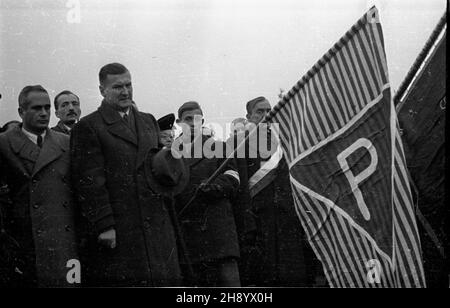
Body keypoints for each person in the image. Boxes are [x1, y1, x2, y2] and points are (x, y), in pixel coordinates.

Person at [70, 62, 181, 287]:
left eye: (128, 85)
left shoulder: (148, 120)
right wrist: (104, 225)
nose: (125, 91)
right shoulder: (89, 126)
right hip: (122, 226)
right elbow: (89, 182)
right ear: (102, 90)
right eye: (117, 87)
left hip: (155, 222)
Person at [0, 85, 79, 287]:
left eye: (47, 108)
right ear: (21, 112)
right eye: (36, 108)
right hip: (26, 245)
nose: (44, 114)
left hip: (65, 242)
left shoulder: (66, 142)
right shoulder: (4, 144)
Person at [239, 96, 321, 286]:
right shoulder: (240, 142)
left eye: (269, 111)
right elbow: (243, 184)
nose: (266, 115)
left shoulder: (285, 141)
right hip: (260, 218)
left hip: (287, 216)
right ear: (248, 115)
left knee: (292, 272)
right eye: (260, 111)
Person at [174, 101, 241, 287]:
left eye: (198, 119)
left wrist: (215, 187)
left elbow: (233, 177)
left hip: (219, 227)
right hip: (189, 227)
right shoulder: (170, 153)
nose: (193, 123)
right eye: (188, 119)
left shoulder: (218, 146)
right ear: (179, 122)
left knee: (230, 284)